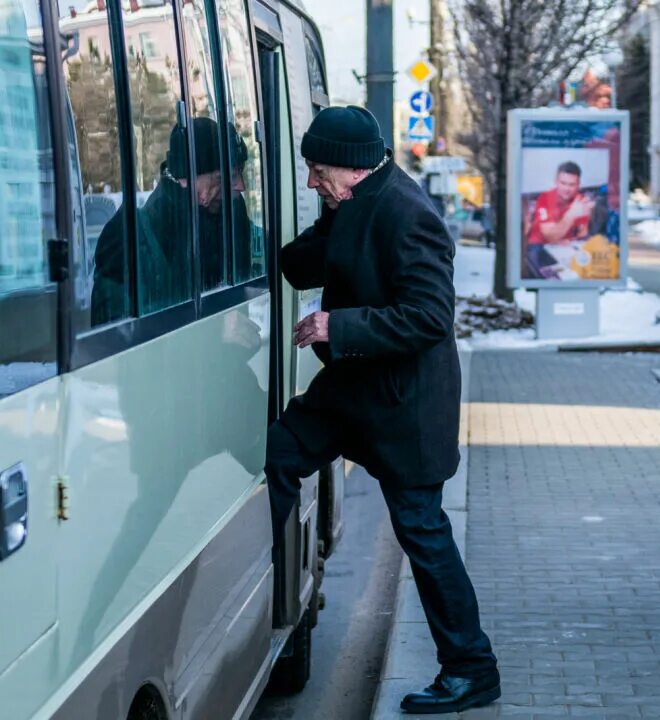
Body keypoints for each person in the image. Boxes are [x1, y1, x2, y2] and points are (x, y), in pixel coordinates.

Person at [267, 105, 501, 715]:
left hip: (403, 406)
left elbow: (428, 317)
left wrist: (333, 324)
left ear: (350, 167)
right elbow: (307, 259)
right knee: (278, 452)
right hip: (354, 394)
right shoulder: (353, 199)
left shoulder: (407, 214)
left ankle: (471, 669)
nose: (313, 183)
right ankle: (271, 594)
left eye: (318, 172)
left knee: (423, 532)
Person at [90, 117, 248, 323]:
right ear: (189, 176)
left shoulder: (229, 213)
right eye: (226, 177)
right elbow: (115, 335)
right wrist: (217, 328)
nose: (240, 186)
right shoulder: (131, 238)